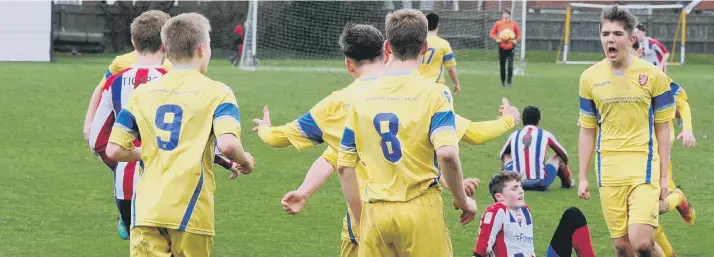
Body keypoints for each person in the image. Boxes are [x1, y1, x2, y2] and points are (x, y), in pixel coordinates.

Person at [253, 23, 517, 257]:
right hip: (418, 211)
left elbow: (294, 143)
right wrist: (508, 120)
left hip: (367, 217)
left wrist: (266, 130)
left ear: (348, 63)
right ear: (386, 51)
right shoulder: (424, 95)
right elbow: (463, 139)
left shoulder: (342, 102)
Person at [106, 13, 255, 256]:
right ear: (202, 49)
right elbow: (227, 145)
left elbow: (114, 150)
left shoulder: (141, 94)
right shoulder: (218, 93)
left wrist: (151, 152)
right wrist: (245, 161)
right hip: (191, 212)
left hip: (146, 210)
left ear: (166, 48)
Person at [336, 9, 477, 257]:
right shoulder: (435, 94)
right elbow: (446, 154)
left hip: (375, 212)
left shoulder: (361, 95)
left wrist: (362, 221)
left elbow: (344, 167)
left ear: (387, 46)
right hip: (421, 208)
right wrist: (463, 201)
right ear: (424, 47)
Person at [578, 5, 675, 257]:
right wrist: (583, 177)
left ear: (631, 39)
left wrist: (664, 177)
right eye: (605, 33)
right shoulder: (589, 78)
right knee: (622, 247)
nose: (610, 38)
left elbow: (663, 127)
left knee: (641, 241)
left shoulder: (653, 75)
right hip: (608, 168)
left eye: (617, 34)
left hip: (643, 165)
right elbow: (588, 130)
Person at [631, 40, 696, 257]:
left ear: (637, 50)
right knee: (638, 218)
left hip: (656, 155)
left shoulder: (653, 75)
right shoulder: (609, 78)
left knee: (652, 210)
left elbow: (681, 103)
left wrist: (687, 129)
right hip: (626, 156)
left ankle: (678, 197)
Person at [82, 11, 174, 144]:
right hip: (126, 136)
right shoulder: (121, 62)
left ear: (133, 40)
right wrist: (89, 121)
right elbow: (102, 87)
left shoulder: (172, 66)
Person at [473, 172, 596, 257]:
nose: (521, 191)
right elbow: (481, 250)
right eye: (514, 188)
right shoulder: (496, 211)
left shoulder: (525, 211)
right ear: (499, 197)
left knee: (573, 216)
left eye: (521, 187)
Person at [499, 106, 573, 191]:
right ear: (538, 120)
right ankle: (567, 183)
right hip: (540, 183)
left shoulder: (514, 135)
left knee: (507, 156)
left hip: (517, 183)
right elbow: (564, 155)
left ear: (523, 120)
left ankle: (506, 182)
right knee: (558, 157)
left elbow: (502, 155)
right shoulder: (546, 135)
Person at [419, 13, 461, 95]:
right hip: (436, 85)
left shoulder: (416, 43)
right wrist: (456, 84)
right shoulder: (443, 44)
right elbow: (450, 68)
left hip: (417, 84)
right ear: (438, 25)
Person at [489, 10, 521, 87]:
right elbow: (492, 33)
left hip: (511, 47)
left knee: (510, 65)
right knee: (502, 65)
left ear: (509, 15)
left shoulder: (514, 24)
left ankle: (509, 82)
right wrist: (496, 39)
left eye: (507, 14)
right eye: (504, 14)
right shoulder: (498, 24)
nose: (505, 16)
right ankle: (502, 82)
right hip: (502, 47)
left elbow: (519, 34)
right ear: (502, 15)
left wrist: (516, 40)